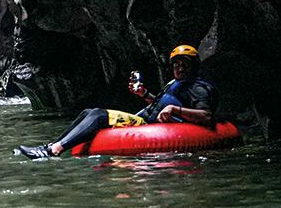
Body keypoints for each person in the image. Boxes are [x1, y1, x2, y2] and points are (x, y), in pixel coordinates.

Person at [17, 45, 218, 159]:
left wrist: (176, 109)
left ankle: (53, 150)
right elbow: (159, 103)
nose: (180, 69)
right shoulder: (175, 83)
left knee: (98, 115)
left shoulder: (197, 87)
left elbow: (207, 117)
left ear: (194, 66)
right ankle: (51, 145)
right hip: (146, 120)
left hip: (154, 127)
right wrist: (144, 94)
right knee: (89, 112)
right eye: (176, 65)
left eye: (184, 65)